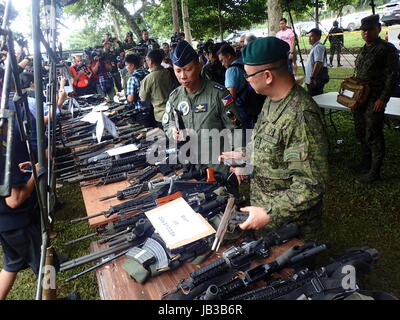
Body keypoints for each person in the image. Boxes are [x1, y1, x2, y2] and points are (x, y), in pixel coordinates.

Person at [220, 37, 329, 239]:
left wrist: (269, 213)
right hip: (267, 217)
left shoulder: (300, 116)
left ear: (268, 75)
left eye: (248, 75)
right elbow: (266, 142)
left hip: (291, 228)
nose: (247, 80)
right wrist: (245, 155)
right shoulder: (271, 100)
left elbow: (311, 183)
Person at [162, 40, 242, 178]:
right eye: (178, 71)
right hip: (190, 167)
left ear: (199, 66)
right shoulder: (175, 97)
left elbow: (235, 129)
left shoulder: (219, 94)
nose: (183, 76)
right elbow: (167, 122)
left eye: (188, 69)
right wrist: (172, 131)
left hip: (219, 168)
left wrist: (236, 162)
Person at [352, 14, 399, 184]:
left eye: (370, 29)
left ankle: (375, 171)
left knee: (373, 133)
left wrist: (382, 99)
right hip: (360, 97)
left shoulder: (387, 48)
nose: (366, 33)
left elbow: (392, 76)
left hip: (375, 98)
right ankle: (365, 162)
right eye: (363, 30)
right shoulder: (364, 48)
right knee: (361, 130)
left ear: (378, 28)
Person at [217, 44, 250, 128]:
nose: (222, 64)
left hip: (240, 109)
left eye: (222, 60)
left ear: (228, 56)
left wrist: (220, 105)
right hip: (250, 104)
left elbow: (230, 96)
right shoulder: (243, 62)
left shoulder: (231, 70)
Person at [139, 49, 173, 126]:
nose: (146, 62)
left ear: (150, 61)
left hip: (160, 114)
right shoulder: (168, 72)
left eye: (147, 60)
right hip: (172, 109)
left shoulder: (149, 77)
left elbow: (143, 98)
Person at [304, 28, 329, 96]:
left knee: (316, 97)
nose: (309, 38)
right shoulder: (314, 47)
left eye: (311, 36)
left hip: (315, 79)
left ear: (318, 37)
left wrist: (313, 78)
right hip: (312, 79)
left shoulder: (318, 47)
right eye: (309, 36)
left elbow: (318, 63)